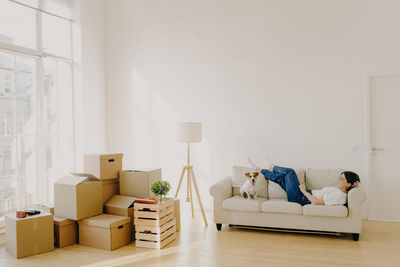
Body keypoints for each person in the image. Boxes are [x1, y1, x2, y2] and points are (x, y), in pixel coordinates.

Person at [250, 158, 360, 206]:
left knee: (290, 172)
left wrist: (303, 191)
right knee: (281, 179)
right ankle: (260, 170)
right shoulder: (340, 192)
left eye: (341, 179)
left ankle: (272, 166)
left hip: (302, 198)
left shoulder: (339, 196)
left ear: (348, 184)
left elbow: (317, 202)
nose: (338, 180)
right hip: (304, 195)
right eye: (339, 177)